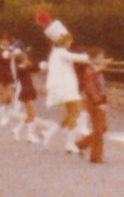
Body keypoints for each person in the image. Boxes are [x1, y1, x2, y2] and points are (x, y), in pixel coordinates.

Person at [39, 12, 91, 155]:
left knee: (70, 115)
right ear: (63, 41)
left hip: (66, 88)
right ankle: (69, 143)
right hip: (66, 89)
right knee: (75, 113)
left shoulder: (55, 53)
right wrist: (88, 57)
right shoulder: (60, 52)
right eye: (69, 41)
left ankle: (50, 133)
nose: (70, 43)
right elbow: (75, 57)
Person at [79, 46, 110, 164]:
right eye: (100, 58)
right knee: (98, 128)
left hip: (100, 100)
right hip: (94, 101)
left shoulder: (95, 70)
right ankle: (96, 156)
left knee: (102, 128)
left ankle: (83, 143)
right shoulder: (89, 71)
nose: (103, 60)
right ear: (93, 59)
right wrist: (98, 102)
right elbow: (91, 88)